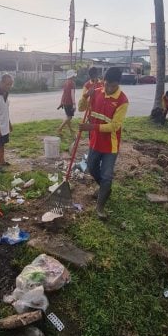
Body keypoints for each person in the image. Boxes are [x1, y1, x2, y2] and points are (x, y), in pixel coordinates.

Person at [78, 66, 129, 220]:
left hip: (110, 145)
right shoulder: (97, 91)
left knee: (106, 175)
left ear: (118, 84)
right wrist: (86, 95)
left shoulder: (122, 100)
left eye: (112, 86)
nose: (108, 88)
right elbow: (81, 108)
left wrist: (91, 126)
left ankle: (100, 206)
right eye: (106, 84)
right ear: (104, 81)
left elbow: (114, 126)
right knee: (92, 168)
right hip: (95, 141)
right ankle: (105, 189)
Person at [0, 73, 14, 173]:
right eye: (7, 84)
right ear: (1, 83)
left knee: (3, 144)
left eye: (10, 84)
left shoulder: (6, 95)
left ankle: (2, 161)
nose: (8, 86)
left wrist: (9, 123)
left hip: (5, 126)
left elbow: (6, 111)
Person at [57, 69, 77, 135]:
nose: (75, 77)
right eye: (74, 76)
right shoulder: (72, 83)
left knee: (68, 116)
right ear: (72, 76)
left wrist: (61, 102)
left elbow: (64, 93)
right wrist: (74, 104)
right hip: (69, 103)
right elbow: (72, 94)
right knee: (69, 117)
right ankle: (59, 129)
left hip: (64, 102)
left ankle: (70, 129)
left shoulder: (66, 82)